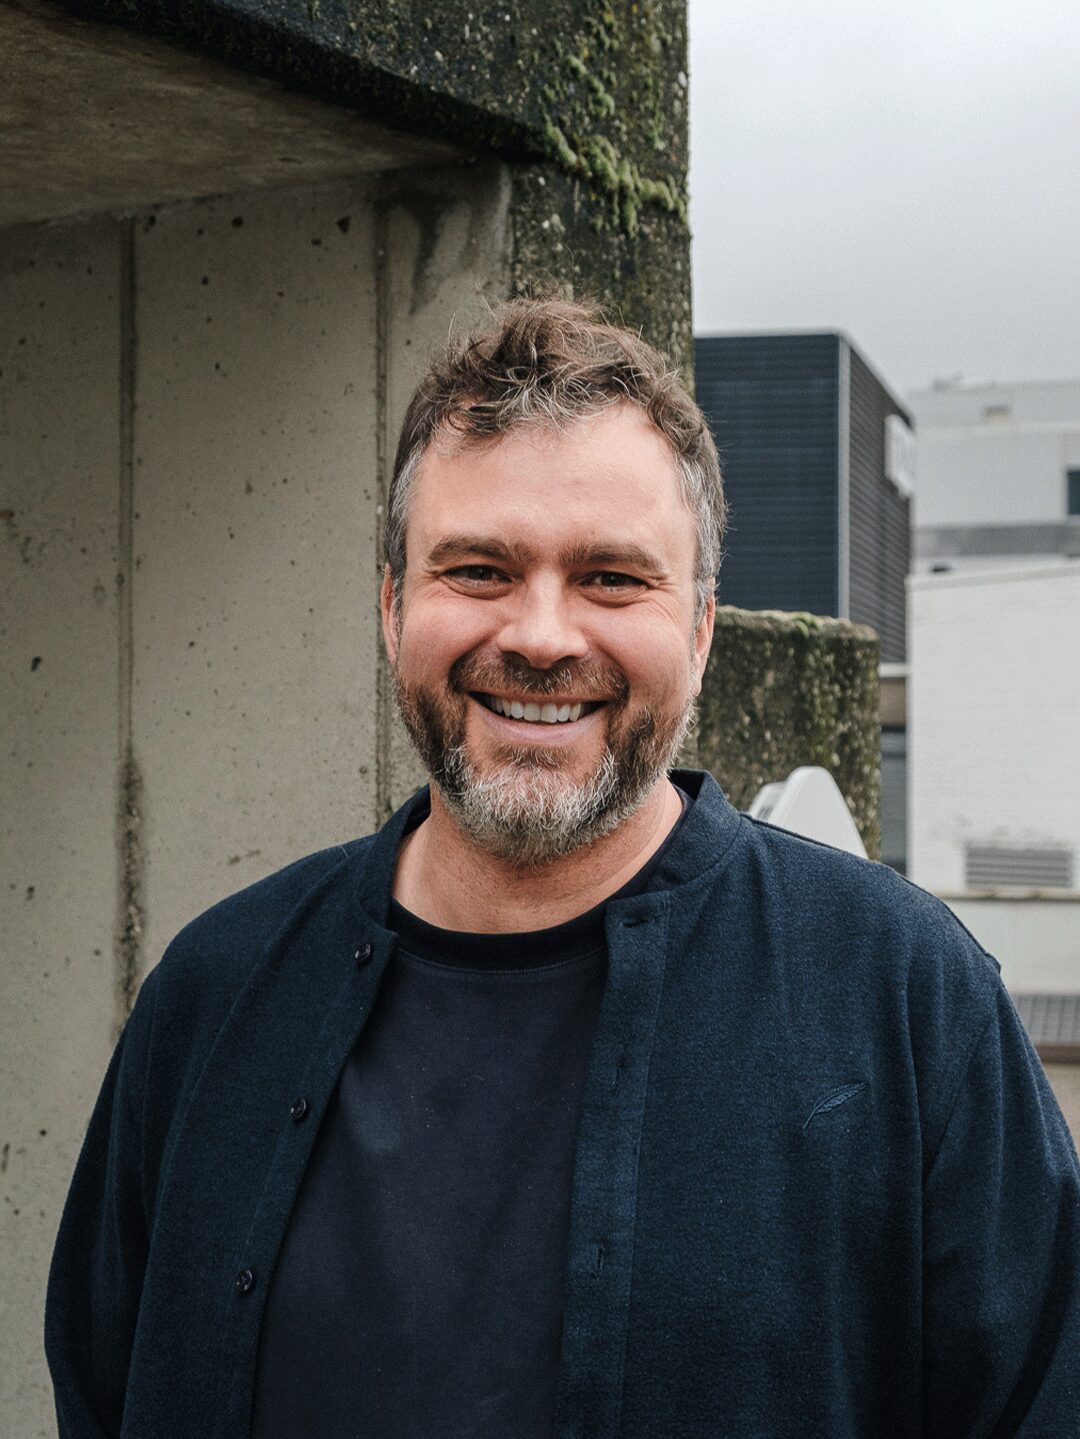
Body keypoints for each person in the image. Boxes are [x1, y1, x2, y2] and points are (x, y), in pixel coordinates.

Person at [46, 299, 1080, 1438]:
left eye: (613, 578)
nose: (541, 635)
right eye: (479, 568)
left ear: (700, 630)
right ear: (393, 607)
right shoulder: (213, 997)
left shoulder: (905, 1001)